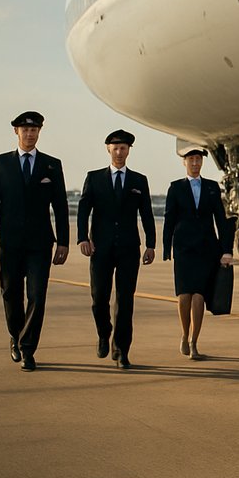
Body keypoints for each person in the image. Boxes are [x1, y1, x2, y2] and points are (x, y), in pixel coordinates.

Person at [0, 111, 69, 372]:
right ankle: (15, 336)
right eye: (25, 130)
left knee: (37, 297)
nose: (30, 134)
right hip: (10, 242)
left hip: (41, 244)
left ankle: (28, 349)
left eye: (35, 130)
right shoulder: (1, 163)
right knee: (11, 293)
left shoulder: (51, 165)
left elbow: (61, 206)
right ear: (16, 132)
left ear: (39, 132)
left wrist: (63, 241)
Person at [77, 130, 156, 370]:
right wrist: (83, 238)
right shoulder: (94, 178)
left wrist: (151, 244)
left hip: (129, 249)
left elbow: (147, 215)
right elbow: (83, 211)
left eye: (123, 148)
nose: (119, 152)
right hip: (100, 248)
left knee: (125, 300)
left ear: (129, 150)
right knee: (99, 298)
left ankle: (122, 350)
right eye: (115, 148)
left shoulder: (138, 180)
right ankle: (104, 333)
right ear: (108, 149)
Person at [162, 147, 233, 360]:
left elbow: (222, 220)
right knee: (184, 295)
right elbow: (169, 219)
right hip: (183, 248)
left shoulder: (212, 187)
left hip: (206, 248)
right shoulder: (175, 188)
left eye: (198, 160)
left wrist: (226, 250)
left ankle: (194, 340)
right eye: (191, 160)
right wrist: (166, 248)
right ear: (184, 162)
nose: (195, 163)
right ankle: (184, 334)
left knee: (199, 295)